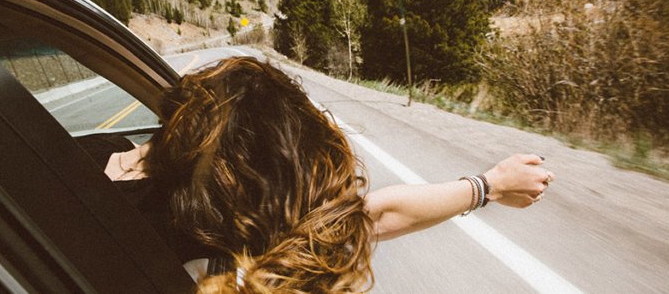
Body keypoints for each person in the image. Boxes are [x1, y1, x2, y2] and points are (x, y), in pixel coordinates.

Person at [94, 57, 554, 292]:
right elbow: (372, 215)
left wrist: (488, 186)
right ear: (243, 165)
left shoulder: (88, 154)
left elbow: (370, 214)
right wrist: (489, 186)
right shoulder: (202, 224)